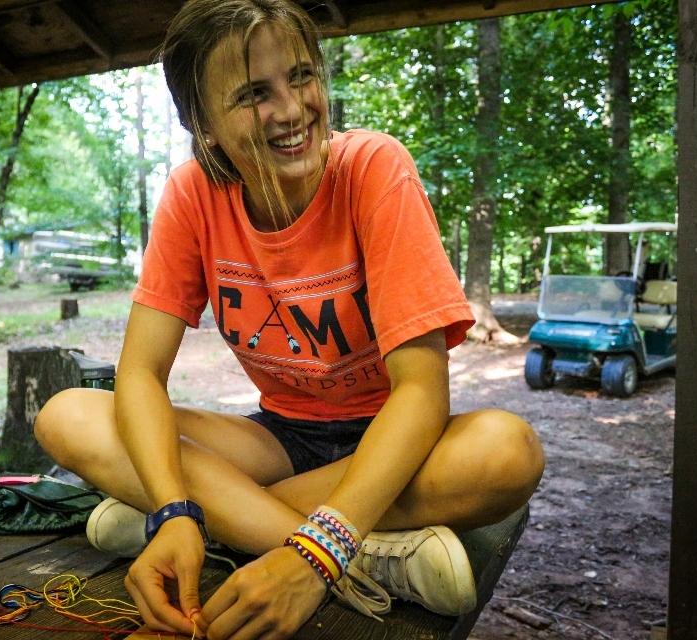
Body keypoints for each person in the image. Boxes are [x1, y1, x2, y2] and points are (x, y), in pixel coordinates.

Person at [35, 1, 545, 638]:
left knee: (507, 452)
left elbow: (420, 390)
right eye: (253, 94)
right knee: (70, 414)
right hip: (281, 441)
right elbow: (139, 372)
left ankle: (228, 527)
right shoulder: (193, 195)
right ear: (204, 123)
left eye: (301, 76)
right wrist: (172, 504)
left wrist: (297, 550)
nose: (290, 109)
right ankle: (370, 557)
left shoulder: (374, 168)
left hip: (401, 445)